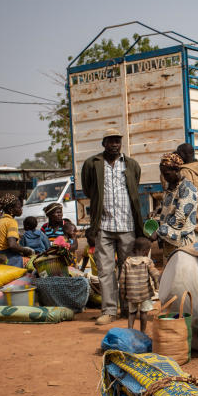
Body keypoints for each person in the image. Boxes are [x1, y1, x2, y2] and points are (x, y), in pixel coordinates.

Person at [81, 128, 143, 326]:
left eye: (118, 140)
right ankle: (109, 310)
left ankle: (127, 309)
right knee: (106, 270)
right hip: (104, 226)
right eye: (111, 141)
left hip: (127, 224)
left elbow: (135, 188)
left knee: (127, 269)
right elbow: (88, 189)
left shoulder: (132, 165)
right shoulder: (93, 164)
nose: (115, 144)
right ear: (103, 143)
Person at [155, 152, 198, 259]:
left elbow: (179, 219)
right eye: (163, 174)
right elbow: (170, 207)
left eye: (167, 174)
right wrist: (159, 210)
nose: (165, 178)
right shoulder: (170, 187)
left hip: (182, 243)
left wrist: (158, 233)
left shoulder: (187, 188)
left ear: (177, 170)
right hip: (169, 241)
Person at [119, 237, 161, 332]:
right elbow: (155, 274)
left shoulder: (127, 262)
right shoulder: (147, 261)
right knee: (143, 313)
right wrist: (156, 285)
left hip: (131, 294)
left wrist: (123, 293)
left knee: (132, 313)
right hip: (144, 294)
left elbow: (122, 280)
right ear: (146, 252)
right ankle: (142, 332)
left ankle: (130, 331)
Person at [0, 194, 33, 267]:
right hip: (9, 257)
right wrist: (27, 251)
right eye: (19, 207)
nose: (21, 209)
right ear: (11, 210)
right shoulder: (11, 222)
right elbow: (12, 245)